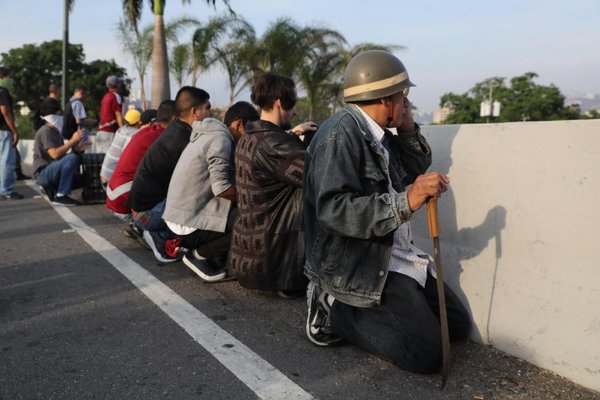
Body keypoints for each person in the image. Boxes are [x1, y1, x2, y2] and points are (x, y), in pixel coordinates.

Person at [303, 50, 471, 373]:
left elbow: (413, 168)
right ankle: (333, 308)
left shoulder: (378, 133)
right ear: (384, 98)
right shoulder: (341, 135)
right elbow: (333, 211)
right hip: (363, 262)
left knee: (458, 327)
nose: (406, 100)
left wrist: (407, 128)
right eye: (402, 94)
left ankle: (378, 309)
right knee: (428, 354)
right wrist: (406, 200)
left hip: (394, 253)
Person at [230, 72, 318, 298]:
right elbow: (320, 174)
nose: (294, 110)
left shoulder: (249, 137)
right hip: (277, 269)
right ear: (280, 102)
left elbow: (270, 152)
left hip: (249, 258)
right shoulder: (274, 144)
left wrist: (293, 132)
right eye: (292, 104)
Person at [162, 101, 260, 281]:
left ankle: (208, 253)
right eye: (250, 133)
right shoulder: (221, 140)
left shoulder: (208, 135)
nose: (250, 140)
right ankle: (199, 255)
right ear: (239, 124)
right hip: (187, 224)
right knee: (252, 219)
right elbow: (221, 188)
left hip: (178, 215)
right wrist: (255, 196)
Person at [128, 87, 212, 262]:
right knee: (204, 196)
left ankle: (156, 231)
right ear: (195, 112)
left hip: (142, 210)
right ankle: (159, 236)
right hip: (147, 214)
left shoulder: (177, 129)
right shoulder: (184, 140)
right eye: (208, 108)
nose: (210, 113)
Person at [105, 102, 175, 223]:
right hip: (124, 202)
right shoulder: (164, 137)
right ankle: (148, 230)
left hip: (114, 194)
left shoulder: (146, 132)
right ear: (175, 118)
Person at [33, 114, 91, 206]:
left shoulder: (56, 132)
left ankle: (53, 189)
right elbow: (55, 154)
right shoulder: (45, 131)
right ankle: (61, 196)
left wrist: (77, 148)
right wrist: (72, 140)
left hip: (53, 170)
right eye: (59, 116)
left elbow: (62, 156)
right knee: (71, 158)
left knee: (85, 178)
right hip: (43, 172)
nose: (62, 118)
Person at [99, 108, 143, 185]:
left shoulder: (120, 130)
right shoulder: (132, 136)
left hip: (105, 174)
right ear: (139, 123)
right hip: (111, 179)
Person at [0, 66, 24, 200]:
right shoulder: (3, 91)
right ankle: (6, 190)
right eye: (9, 76)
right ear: (2, 77)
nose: (11, 79)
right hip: (3, 130)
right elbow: (5, 111)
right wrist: (14, 131)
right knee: (6, 161)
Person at [96, 75, 124, 153]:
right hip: (109, 133)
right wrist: (123, 130)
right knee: (108, 159)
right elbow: (118, 115)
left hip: (100, 131)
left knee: (99, 160)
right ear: (117, 85)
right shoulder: (116, 96)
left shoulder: (106, 96)